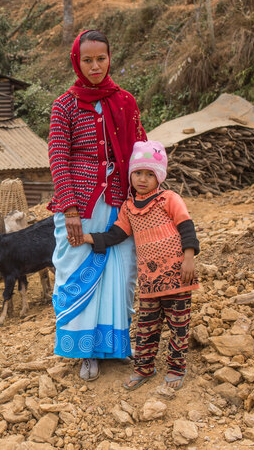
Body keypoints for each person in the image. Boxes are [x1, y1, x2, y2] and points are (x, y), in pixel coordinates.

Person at [48, 29, 147, 381]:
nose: (95, 66)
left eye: (100, 58)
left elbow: (140, 152)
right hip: (81, 203)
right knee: (75, 268)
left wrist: (145, 198)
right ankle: (83, 350)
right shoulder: (65, 105)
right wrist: (71, 209)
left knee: (121, 271)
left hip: (120, 199)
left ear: (110, 58)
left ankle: (114, 345)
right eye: (87, 60)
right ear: (77, 61)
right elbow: (58, 157)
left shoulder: (125, 101)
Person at [82, 140, 200, 390]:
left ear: (159, 177)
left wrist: (189, 258)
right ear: (130, 175)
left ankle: (177, 370)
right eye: (137, 173)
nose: (143, 179)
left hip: (178, 277)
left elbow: (186, 226)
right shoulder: (128, 208)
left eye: (150, 174)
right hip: (149, 282)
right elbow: (116, 234)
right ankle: (144, 368)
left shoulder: (169, 199)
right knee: (146, 327)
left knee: (179, 327)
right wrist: (88, 238)